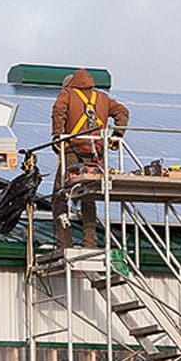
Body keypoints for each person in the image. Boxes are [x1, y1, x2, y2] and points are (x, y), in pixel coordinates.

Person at [50, 68, 129, 248]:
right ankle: (90, 243)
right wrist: (117, 135)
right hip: (95, 158)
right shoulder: (102, 98)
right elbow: (123, 112)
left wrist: (57, 136)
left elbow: (58, 110)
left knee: (60, 196)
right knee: (88, 198)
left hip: (72, 154)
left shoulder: (67, 94)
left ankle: (64, 243)